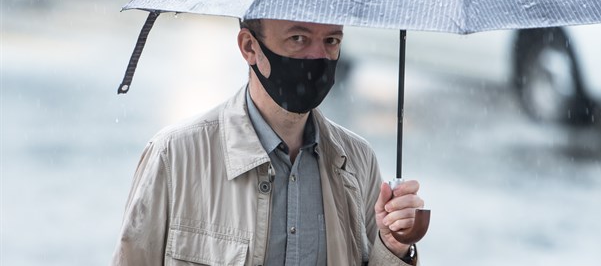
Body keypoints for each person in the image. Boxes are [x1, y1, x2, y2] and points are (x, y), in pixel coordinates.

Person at [111, 18, 425, 265]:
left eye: (331, 41)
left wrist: (394, 247)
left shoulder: (358, 160)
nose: (318, 56)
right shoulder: (175, 156)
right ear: (249, 46)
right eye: (298, 39)